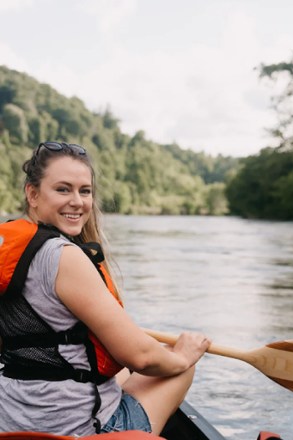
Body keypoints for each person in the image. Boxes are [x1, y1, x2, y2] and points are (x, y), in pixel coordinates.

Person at [0, 141, 211, 436]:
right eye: (63, 189)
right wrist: (184, 355)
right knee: (176, 365)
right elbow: (142, 357)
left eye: (84, 191)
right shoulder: (63, 256)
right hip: (75, 430)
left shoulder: (10, 250)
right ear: (32, 194)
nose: (77, 201)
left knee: (125, 369)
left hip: (12, 421)